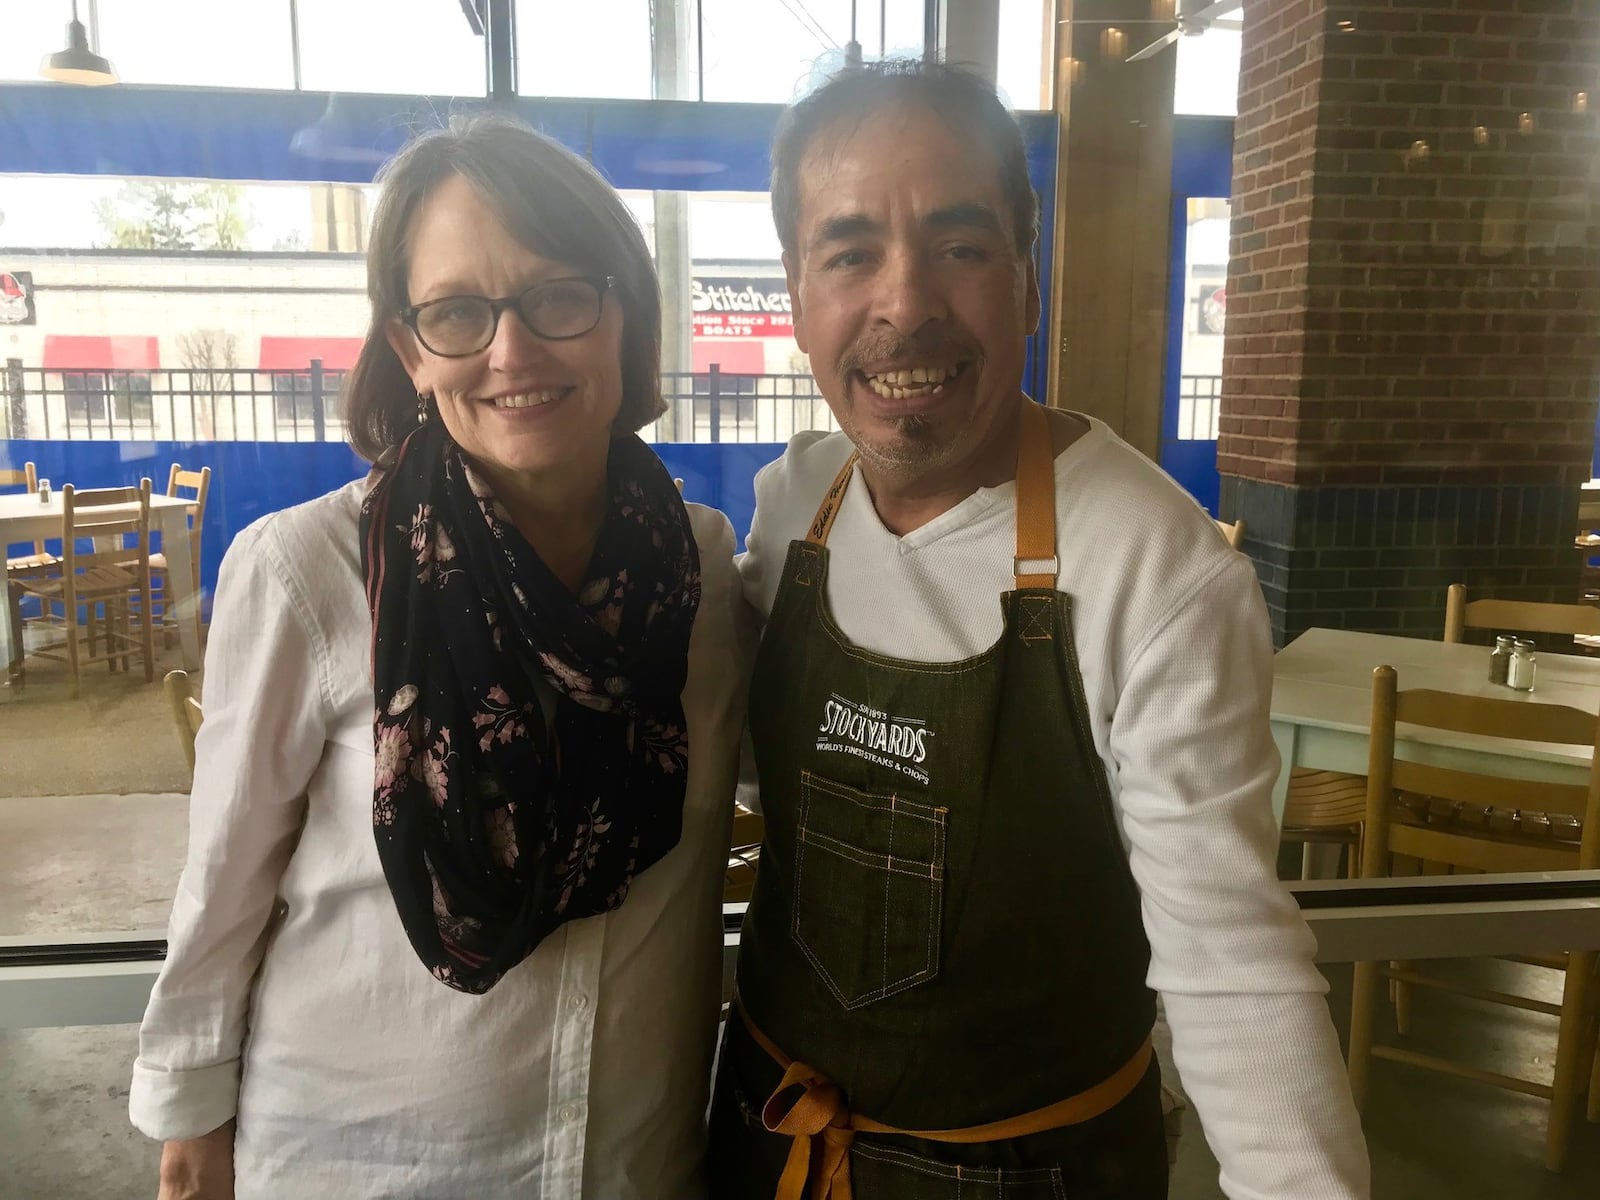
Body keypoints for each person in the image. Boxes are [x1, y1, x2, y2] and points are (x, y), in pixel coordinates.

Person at [709, 60, 1370, 1199]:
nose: (905, 304)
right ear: (798, 294)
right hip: (774, 1144)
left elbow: (1228, 958)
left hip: (1037, 1173)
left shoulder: (1153, 570)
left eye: (960, 246)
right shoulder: (795, 505)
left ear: (1027, 282)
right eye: (850, 252)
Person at [130, 117, 747, 1199]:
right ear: (411, 350)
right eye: (458, 312)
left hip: (632, 1160)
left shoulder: (700, 574)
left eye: (559, 295)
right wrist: (190, 1137)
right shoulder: (305, 570)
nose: (513, 351)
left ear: (625, 319)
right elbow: (221, 892)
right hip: (361, 1164)